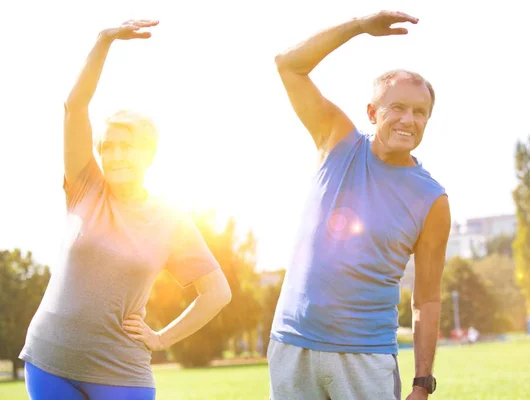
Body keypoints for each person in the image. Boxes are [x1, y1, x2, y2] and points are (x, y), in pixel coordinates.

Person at [19, 19, 232, 400]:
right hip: (50, 362)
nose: (115, 155)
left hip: (122, 371)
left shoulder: (171, 219)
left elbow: (217, 292)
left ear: (149, 153)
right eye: (108, 146)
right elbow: (75, 106)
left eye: (127, 146)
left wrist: (161, 337)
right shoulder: (86, 187)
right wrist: (104, 40)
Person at [268, 10, 451, 400]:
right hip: (291, 345)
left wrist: (422, 382)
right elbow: (288, 66)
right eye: (397, 107)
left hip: (365, 357)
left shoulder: (432, 199)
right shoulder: (337, 141)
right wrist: (358, 27)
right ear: (373, 112)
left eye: (420, 112)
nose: (408, 119)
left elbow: (427, 297)